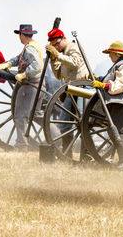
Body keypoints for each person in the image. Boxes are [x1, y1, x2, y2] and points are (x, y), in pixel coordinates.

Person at [90, 41, 123, 167]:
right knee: (113, 131)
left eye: (111, 53)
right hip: (119, 102)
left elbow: (121, 85)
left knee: (119, 131)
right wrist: (99, 79)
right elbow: (111, 80)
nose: (109, 56)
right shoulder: (117, 65)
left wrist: (104, 85)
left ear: (116, 54)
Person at [0, 24, 44, 151]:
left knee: (19, 116)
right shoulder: (32, 46)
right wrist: (9, 63)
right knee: (38, 116)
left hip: (30, 86)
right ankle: (56, 138)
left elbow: (37, 66)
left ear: (22, 35)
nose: (19, 37)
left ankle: (21, 146)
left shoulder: (30, 48)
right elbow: (19, 58)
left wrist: (24, 74)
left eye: (19, 34)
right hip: (39, 85)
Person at [45, 28, 89, 156]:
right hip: (71, 89)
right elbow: (58, 74)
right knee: (64, 123)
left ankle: (87, 155)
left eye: (57, 44)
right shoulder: (62, 52)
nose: (56, 47)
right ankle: (66, 154)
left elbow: (75, 63)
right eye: (53, 45)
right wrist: (54, 59)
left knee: (83, 122)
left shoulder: (72, 47)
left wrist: (58, 55)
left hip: (82, 88)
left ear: (63, 38)